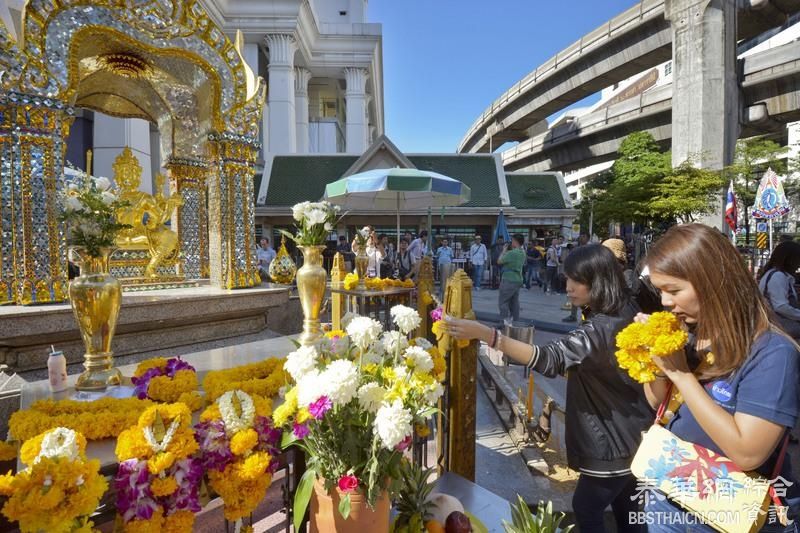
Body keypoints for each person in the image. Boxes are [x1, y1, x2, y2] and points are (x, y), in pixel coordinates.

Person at [446, 244, 651, 532]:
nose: (567, 287)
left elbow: (548, 358)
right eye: (567, 278)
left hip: (610, 444)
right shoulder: (627, 309)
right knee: (630, 511)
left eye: (577, 280)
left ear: (599, 281)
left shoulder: (597, 331)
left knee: (587, 507)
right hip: (636, 437)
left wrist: (487, 334)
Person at [640, 224, 800, 531]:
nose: (664, 302)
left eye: (674, 291)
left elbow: (748, 452)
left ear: (713, 283)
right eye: (660, 291)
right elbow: (659, 403)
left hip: (732, 511)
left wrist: (682, 375)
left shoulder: (772, 353)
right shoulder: (691, 333)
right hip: (669, 495)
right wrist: (655, 363)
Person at [757, 241, 800, 340]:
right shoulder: (778, 276)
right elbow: (781, 306)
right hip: (780, 326)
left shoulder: (773, 274)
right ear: (790, 259)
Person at [497, 234, 526, 324]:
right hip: (518, 279)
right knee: (514, 302)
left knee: (503, 302)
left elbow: (499, 261)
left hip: (508, 279)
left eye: (512, 240)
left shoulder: (512, 253)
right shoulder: (523, 252)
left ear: (515, 241)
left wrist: (504, 250)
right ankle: (515, 322)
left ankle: (504, 323)